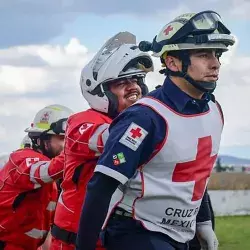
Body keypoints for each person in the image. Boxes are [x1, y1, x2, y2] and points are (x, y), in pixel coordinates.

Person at [76, 10, 235, 250]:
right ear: (172, 62)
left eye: (217, 54)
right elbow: (101, 187)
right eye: (203, 55)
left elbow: (196, 175)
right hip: (137, 232)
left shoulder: (214, 110)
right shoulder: (144, 118)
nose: (215, 63)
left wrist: (203, 222)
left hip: (184, 233)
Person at [49, 32, 153, 250]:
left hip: (118, 239)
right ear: (101, 91)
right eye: (121, 83)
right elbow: (111, 138)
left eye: (136, 80)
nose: (133, 87)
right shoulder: (83, 122)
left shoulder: (142, 123)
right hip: (75, 242)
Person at [0, 104, 73, 250]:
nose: (69, 145)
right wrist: (78, 152)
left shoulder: (55, 177)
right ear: (42, 140)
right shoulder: (23, 158)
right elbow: (44, 170)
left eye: (72, 139)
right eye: (63, 138)